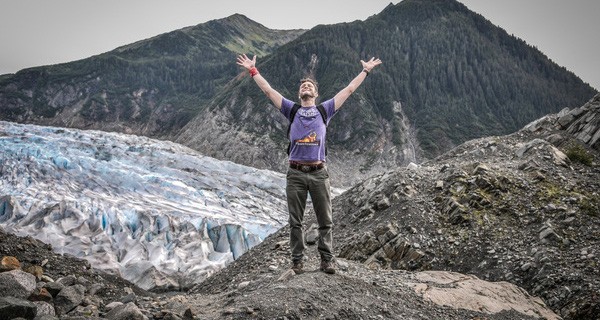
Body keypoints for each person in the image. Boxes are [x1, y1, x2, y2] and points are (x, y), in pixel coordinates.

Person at [236, 53, 382, 274]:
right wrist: (253, 71)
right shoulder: (291, 110)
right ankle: (297, 262)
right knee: (296, 221)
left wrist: (365, 70)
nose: (306, 87)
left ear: (315, 93)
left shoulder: (325, 110)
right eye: (303, 85)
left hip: (318, 172)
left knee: (325, 219)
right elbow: (268, 91)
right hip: (295, 173)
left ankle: (326, 259)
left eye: (309, 86)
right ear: (299, 93)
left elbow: (349, 90)